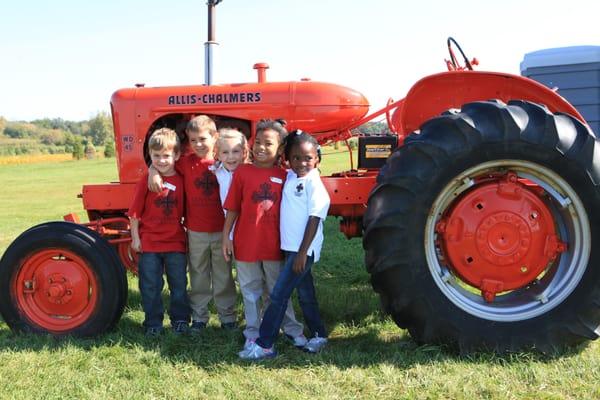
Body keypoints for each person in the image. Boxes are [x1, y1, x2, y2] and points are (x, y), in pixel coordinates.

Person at [239, 130, 330, 360]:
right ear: (287, 159)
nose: (302, 163)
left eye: (308, 158)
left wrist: (301, 253)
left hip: (302, 252)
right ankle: (319, 335)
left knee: (279, 295)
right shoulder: (290, 176)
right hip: (290, 249)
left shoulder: (314, 184)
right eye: (296, 158)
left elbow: (314, 218)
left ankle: (265, 344)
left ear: (317, 159)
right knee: (306, 294)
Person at [222, 119, 306, 351]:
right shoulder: (242, 172)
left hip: (274, 246)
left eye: (267, 144)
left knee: (278, 292)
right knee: (250, 291)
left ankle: (291, 329)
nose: (260, 147)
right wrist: (225, 236)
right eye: (257, 142)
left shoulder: (287, 176)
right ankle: (253, 331)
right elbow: (233, 208)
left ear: (280, 149)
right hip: (246, 244)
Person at [149, 116, 237, 332]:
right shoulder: (186, 163)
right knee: (198, 275)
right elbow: (163, 162)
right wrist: (152, 170)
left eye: (203, 139)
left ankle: (227, 317)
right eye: (193, 140)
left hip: (221, 230)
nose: (198, 144)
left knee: (223, 275)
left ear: (215, 137)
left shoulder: (223, 161)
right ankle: (199, 316)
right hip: (196, 232)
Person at [129, 128, 191, 337]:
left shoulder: (183, 179)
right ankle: (153, 322)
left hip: (175, 242)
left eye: (166, 156)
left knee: (179, 285)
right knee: (150, 285)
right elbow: (135, 212)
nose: (162, 160)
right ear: (150, 156)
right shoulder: (146, 180)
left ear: (176, 155)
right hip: (150, 243)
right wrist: (135, 238)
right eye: (156, 156)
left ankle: (180, 320)